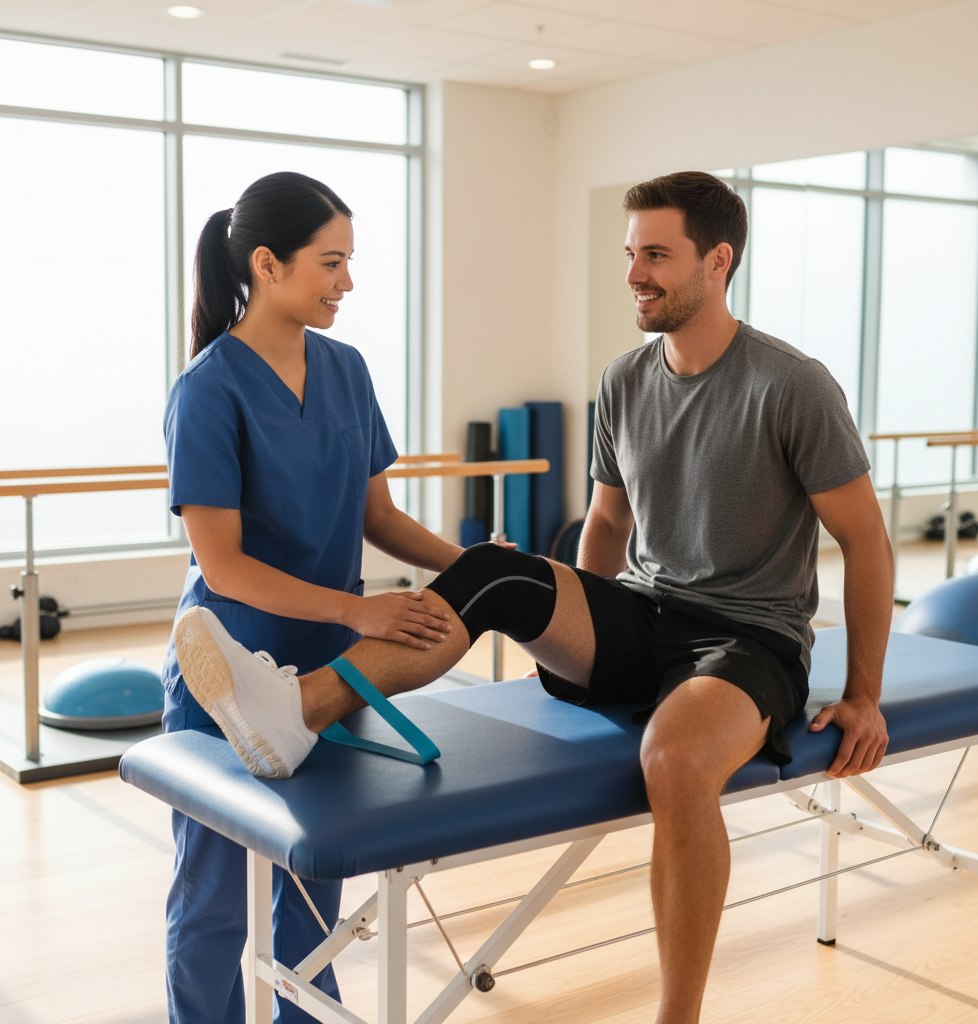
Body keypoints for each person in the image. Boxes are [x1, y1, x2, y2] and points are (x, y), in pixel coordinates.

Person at [172, 171, 894, 1024]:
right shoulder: (625, 380)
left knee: (670, 760)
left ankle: (677, 1017)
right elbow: (606, 528)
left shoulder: (792, 384)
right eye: (630, 255)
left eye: (655, 255)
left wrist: (864, 697)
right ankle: (292, 712)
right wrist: (559, 612)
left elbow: (867, 542)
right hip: (608, 617)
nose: (634, 274)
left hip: (742, 639)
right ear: (265, 264)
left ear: (718, 260)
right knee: (491, 571)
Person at [162, 171, 464, 1024]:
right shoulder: (209, 389)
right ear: (266, 263)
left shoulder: (346, 369)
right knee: (218, 894)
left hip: (330, 672)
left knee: (312, 886)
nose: (347, 283)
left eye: (350, 262)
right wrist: (358, 612)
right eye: (331, 263)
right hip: (227, 669)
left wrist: (469, 563)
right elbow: (222, 567)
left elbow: (380, 516)